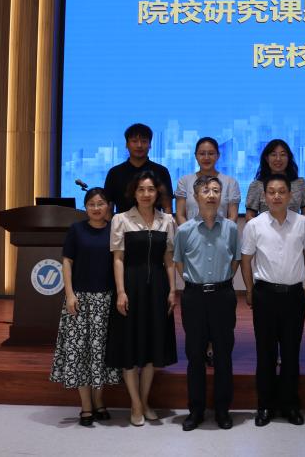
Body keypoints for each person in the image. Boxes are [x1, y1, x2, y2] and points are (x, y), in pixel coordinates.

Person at [241, 173, 305, 427]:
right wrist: (249, 290)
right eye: (271, 192)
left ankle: (290, 405)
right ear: (264, 196)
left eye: (281, 192)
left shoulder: (303, 223)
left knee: (292, 353)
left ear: (290, 195)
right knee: (266, 353)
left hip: (294, 295)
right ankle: (265, 406)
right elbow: (246, 260)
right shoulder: (254, 225)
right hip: (265, 295)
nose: (276, 196)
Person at [104, 170, 178, 426]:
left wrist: (172, 290)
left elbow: (169, 258)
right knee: (130, 346)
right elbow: (118, 258)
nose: (146, 194)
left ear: (158, 193)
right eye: (141, 189)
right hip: (130, 287)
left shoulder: (167, 220)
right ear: (133, 193)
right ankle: (135, 404)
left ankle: (144, 401)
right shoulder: (121, 219)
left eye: (151, 189)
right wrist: (120, 291)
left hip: (157, 287)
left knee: (151, 348)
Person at [173, 176, 240, 431]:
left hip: (223, 295)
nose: (211, 195)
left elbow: (235, 260)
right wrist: (196, 282)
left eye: (216, 190)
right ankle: (196, 410)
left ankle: (223, 410)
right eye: (205, 190)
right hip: (194, 297)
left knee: (223, 355)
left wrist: (221, 281)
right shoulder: (184, 230)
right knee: (195, 355)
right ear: (195, 196)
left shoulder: (231, 228)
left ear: (221, 196)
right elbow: (179, 262)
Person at [50, 187, 121, 426]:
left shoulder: (114, 230)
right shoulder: (76, 229)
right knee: (80, 353)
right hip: (80, 299)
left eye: (100, 203)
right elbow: (67, 262)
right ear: (86, 207)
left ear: (108, 206)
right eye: (91, 204)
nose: (96, 208)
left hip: (106, 300)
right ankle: (86, 405)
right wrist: (69, 294)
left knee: (100, 354)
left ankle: (99, 401)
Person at [104, 123, 174, 214]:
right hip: (122, 222)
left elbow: (167, 206)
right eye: (134, 141)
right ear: (127, 144)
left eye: (144, 141)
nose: (139, 145)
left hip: (155, 222)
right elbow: (108, 207)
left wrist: (168, 222)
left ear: (150, 145)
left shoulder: (161, 171)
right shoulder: (115, 173)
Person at [174, 136, 241, 225]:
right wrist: (188, 232)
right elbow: (180, 215)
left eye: (211, 153)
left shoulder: (231, 182)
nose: (206, 157)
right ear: (196, 156)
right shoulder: (184, 181)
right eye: (202, 154)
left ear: (218, 156)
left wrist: (224, 232)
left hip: (221, 233)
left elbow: (232, 216)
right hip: (190, 233)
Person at [244, 139, 305, 219]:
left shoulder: (300, 183)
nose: (278, 159)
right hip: (265, 227)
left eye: (282, 155)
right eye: (273, 155)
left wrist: (298, 224)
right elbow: (249, 216)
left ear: (288, 158)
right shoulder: (257, 185)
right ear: (267, 158)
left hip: (295, 227)